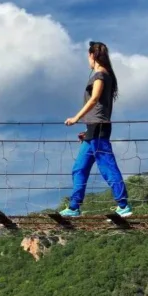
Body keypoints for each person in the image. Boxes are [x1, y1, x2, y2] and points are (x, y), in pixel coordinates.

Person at [61, 41, 132, 218]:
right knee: (79, 168)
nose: (88, 60)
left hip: (99, 128)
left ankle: (123, 205)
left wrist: (75, 118)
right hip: (93, 129)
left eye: (88, 56)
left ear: (92, 55)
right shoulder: (104, 75)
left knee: (107, 166)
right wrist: (87, 129)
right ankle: (74, 207)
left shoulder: (100, 75)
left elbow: (94, 100)